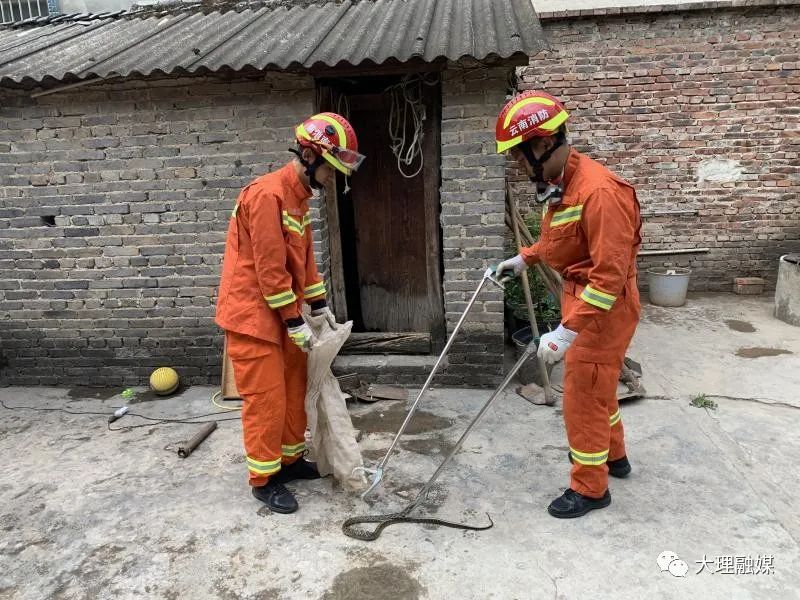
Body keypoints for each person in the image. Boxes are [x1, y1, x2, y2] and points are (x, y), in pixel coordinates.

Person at [495, 91, 642, 518]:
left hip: (602, 310)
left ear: (541, 144)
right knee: (600, 391)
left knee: (581, 397)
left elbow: (608, 280)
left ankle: (590, 488)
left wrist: (566, 331)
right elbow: (562, 240)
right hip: (584, 302)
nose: (521, 168)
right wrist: (525, 256)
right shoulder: (565, 185)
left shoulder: (600, 194)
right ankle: (615, 458)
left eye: (521, 157)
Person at [215, 112, 365, 513]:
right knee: (266, 400)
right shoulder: (266, 195)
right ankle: (264, 479)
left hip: (283, 315)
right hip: (254, 318)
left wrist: (319, 307)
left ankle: (290, 460)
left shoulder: (299, 199)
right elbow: (269, 270)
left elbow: (305, 262)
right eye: (331, 170)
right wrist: (295, 320)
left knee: (294, 391)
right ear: (311, 156)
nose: (333, 179)